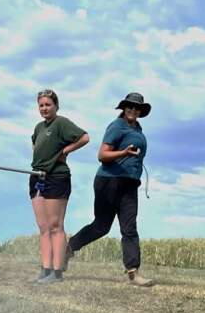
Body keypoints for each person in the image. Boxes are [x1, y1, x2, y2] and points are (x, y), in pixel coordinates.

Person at [65, 93, 155, 287]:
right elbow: (102, 154)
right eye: (129, 107)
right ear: (124, 108)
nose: (133, 110)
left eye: (137, 108)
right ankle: (69, 248)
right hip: (109, 181)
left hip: (130, 184)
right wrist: (123, 153)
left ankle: (133, 273)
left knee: (129, 228)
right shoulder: (116, 126)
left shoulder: (138, 129)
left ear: (140, 111)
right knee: (101, 226)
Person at [29, 89, 89, 284]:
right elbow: (35, 144)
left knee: (55, 225)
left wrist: (65, 150)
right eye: (41, 105)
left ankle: (57, 272)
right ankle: (45, 269)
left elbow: (84, 138)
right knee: (43, 226)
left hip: (57, 177)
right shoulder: (39, 127)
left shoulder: (61, 123)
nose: (44, 108)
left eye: (48, 104)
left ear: (56, 106)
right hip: (37, 176)